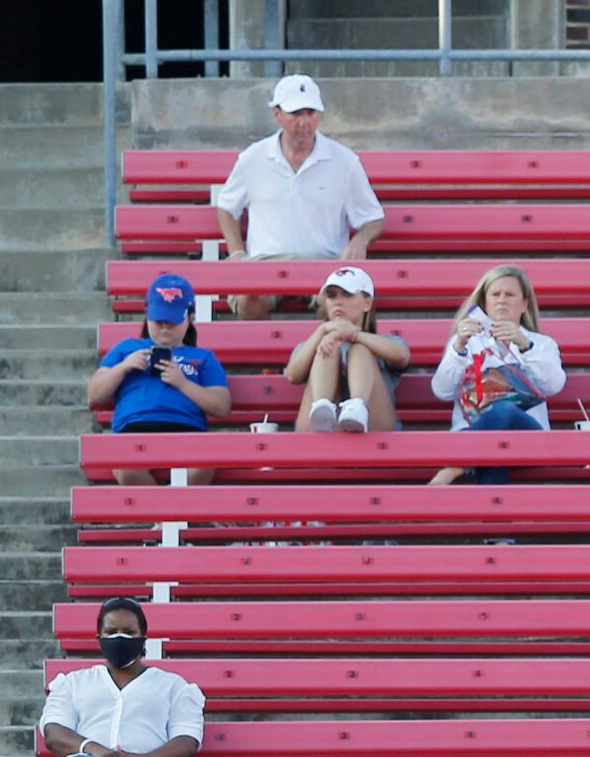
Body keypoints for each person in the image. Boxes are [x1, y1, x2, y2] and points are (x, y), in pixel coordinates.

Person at [209, 75, 384, 319]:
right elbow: (226, 207)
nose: (305, 123)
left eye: (311, 113)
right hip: (265, 262)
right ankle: (260, 357)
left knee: (337, 304)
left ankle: (323, 356)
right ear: (277, 114)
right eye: (296, 114)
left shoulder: (344, 161)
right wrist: (237, 253)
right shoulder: (253, 158)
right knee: (249, 299)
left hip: (326, 263)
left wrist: (361, 240)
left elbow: (374, 218)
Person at [41, 597, 205, 757]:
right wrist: (96, 751)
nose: (119, 638)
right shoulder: (72, 682)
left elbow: (187, 741)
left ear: (143, 638)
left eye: (129, 632)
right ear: (99, 637)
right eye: (111, 632)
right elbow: (54, 732)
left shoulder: (174, 686)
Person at [427, 261, 563, 483]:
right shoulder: (465, 342)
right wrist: (459, 347)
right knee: (492, 449)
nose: (501, 300)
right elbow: (441, 391)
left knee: (504, 411)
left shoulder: (540, 343)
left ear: (524, 304)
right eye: (495, 294)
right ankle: (494, 516)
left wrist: (524, 345)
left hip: (527, 436)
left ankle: (455, 466)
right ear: (484, 302)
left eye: (510, 294)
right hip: (472, 432)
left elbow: (554, 385)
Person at [88, 274, 232, 483]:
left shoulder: (203, 357)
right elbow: (94, 394)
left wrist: (182, 383)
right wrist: (123, 368)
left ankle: (167, 512)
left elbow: (222, 406)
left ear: (190, 318)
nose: (165, 327)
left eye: (173, 321)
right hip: (135, 429)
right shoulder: (127, 348)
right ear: (147, 315)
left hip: (186, 430)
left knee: (204, 466)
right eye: (159, 320)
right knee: (126, 470)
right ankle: (165, 514)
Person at [281, 266, 407, 436]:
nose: (338, 302)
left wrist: (352, 334)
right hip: (317, 433)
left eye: (347, 294)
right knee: (327, 350)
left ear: (367, 303)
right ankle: (322, 409)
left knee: (360, 350)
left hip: (373, 429)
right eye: (332, 296)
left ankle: (357, 408)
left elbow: (402, 356)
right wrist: (323, 330)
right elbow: (293, 375)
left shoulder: (386, 341)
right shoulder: (312, 343)